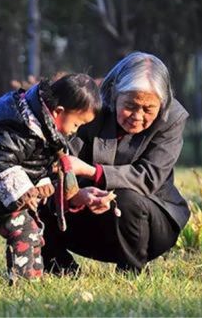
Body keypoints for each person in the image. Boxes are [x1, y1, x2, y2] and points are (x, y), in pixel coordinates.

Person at [40, 52, 190, 274]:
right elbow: (60, 159)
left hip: (148, 224)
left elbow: (149, 177)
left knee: (127, 197)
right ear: (114, 93)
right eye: (130, 105)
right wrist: (77, 193)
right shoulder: (90, 107)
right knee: (35, 192)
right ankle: (59, 267)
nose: (137, 116)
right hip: (85, 213)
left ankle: (131, 271)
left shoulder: (173, 117)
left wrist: (93, 172)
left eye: (148, 109)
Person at [0, 74, 101, 284]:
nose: (75, 131)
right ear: (58, 112)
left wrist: (42, 182)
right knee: (23, 231)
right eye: (77, 124)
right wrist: (23, 190)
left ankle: (35, 275)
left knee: (34, 231)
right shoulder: (21, 129)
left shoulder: (47, 132)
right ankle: (22, 280)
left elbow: (36, 163)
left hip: (11, 195)